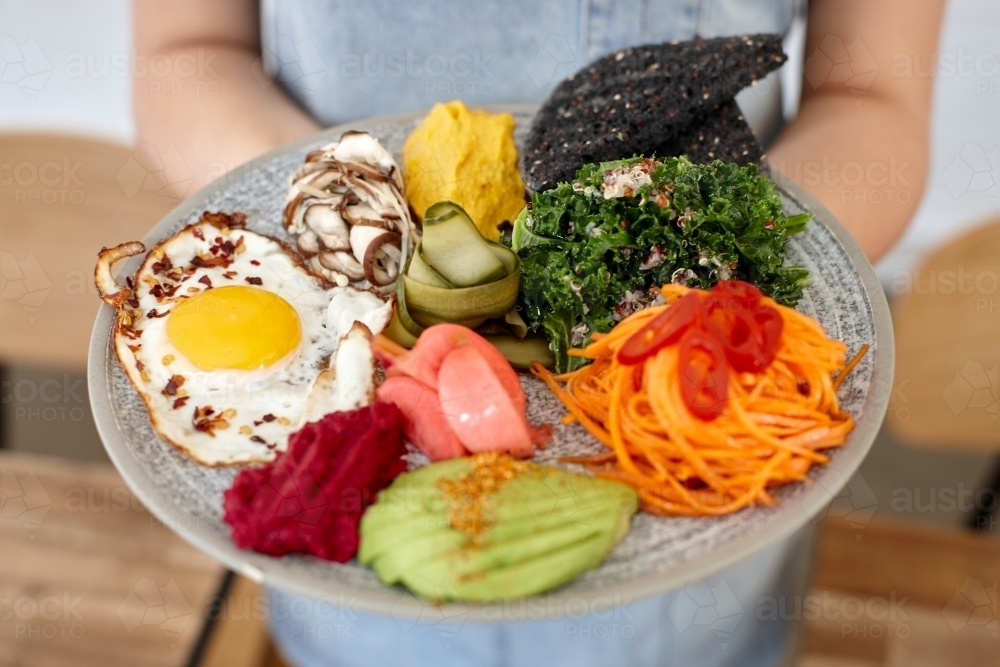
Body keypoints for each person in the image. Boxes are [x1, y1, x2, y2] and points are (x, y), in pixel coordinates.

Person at [133, 1, 945, 665]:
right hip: (356, 603)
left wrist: (708, 267)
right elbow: (188, 50)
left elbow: (872, 99)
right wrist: (335, 211)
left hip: (699, 574)